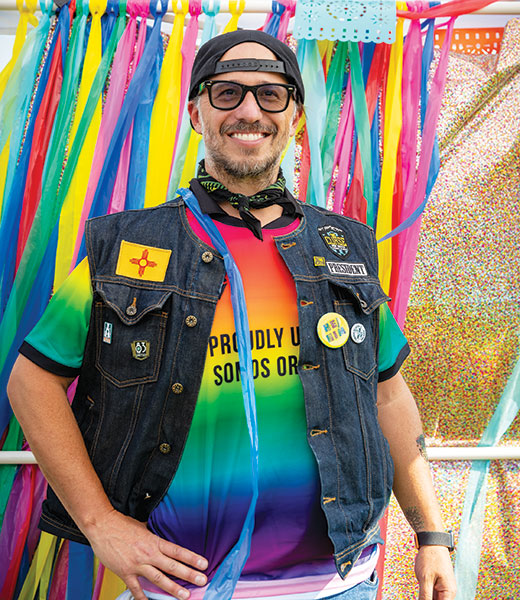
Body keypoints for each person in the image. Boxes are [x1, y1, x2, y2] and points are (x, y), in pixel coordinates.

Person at [8, 30, 456, 600]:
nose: (249, 111)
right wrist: (99, 524)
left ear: (295, 113)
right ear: (196, 111)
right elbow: (32, 381)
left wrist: (431, 533)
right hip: (181, 588)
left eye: (271, 95)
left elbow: (388, 395)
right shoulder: (128, 246)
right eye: (227, 93)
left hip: (340, 587)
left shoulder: (345, 246)